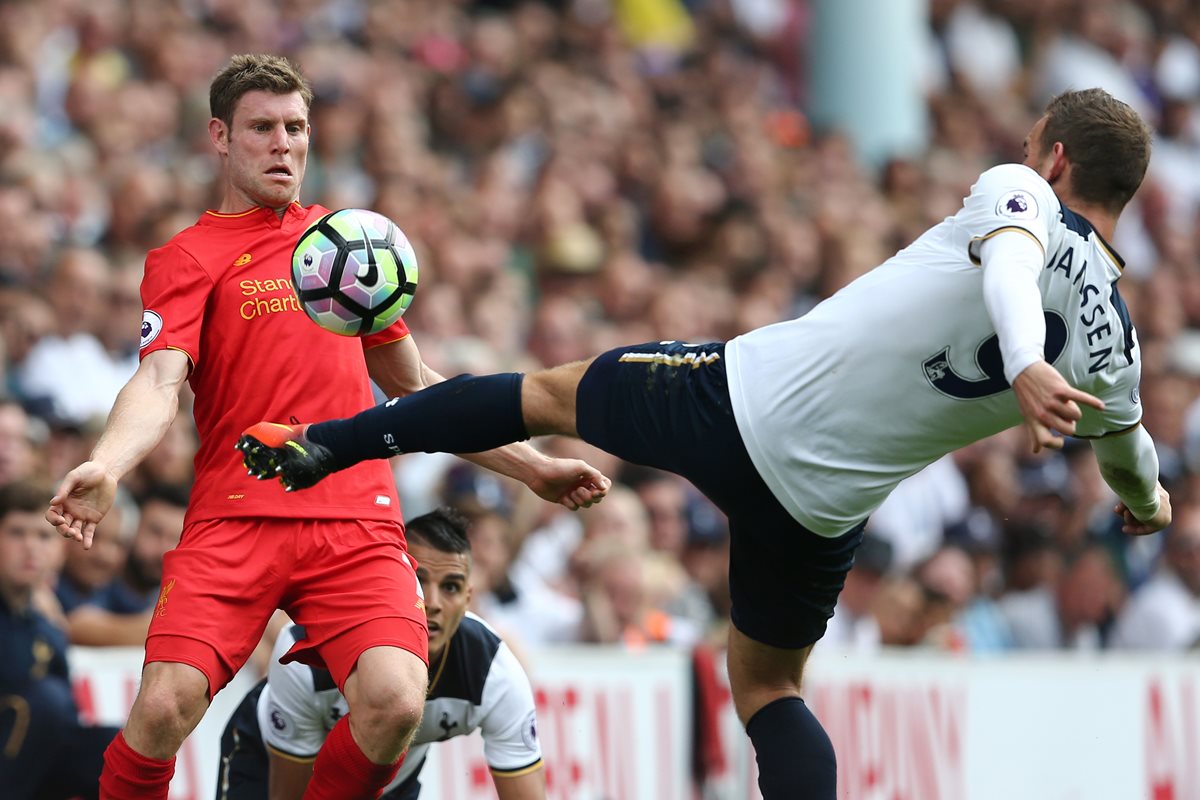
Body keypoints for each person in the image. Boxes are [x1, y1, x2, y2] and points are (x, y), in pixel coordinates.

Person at [240, 88, 1173, 798]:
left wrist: (1022, 360)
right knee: (769, 688)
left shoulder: (1023, 197)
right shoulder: (1118, 347)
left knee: (545, 397)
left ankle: (331, 443)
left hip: (739, 401)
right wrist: (1147, 502)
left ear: (1055, 159)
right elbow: (1127, 453)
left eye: (1031, 148)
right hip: (822, 508)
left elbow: (1012, 261)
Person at [45, 53, 607, 800]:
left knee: (396, 701)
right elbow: (158, 380)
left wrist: (533, 467)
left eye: (296, 127)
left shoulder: (345, 244)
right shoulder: (186, 257)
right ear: (220, 136)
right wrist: (108, 465)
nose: (283, 144)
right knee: (161, 710)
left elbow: (418, 389)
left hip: (354, 520)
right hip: (236, 518)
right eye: (262, 128)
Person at [218, 507, 544, 799]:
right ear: (394, 583)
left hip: (388, 783)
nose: (432, 603)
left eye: (450, 587)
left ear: (468, 597)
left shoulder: (493, 673)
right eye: (419, 581)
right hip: (267, 760)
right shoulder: (304, 655)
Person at [0, 480, 119, 799]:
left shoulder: (48, 629)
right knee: (46, 700)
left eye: (42, 536)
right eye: (16, 533)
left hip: (31, 767)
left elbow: (66, 719)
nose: (30, 547)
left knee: (112, 746)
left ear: (59, 550)